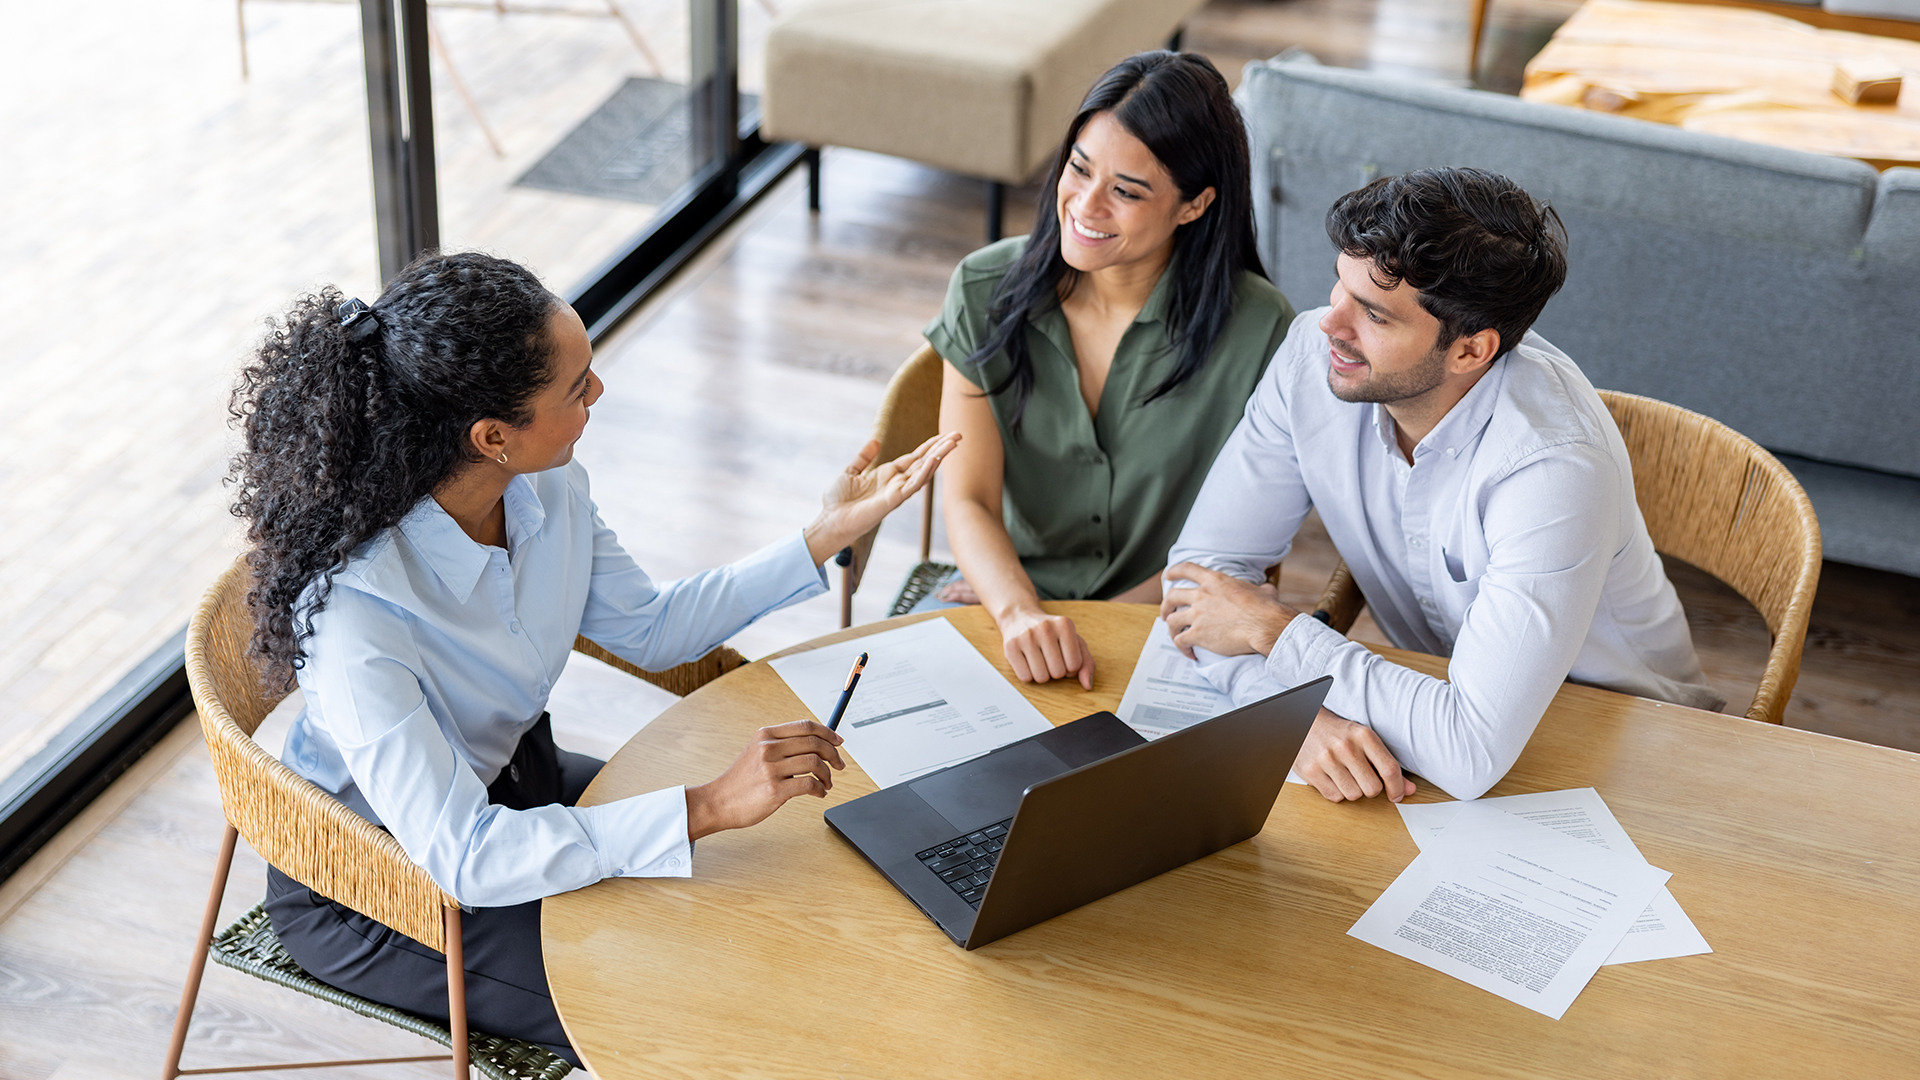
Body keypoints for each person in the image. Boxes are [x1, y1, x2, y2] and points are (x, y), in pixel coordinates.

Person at [226, 252, 958, 1063]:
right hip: (385, 880)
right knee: (671, 1002)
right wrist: (709, 804)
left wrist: (826, 533)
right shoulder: (362, 615)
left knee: (770, 896)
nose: (598, 394)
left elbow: (650, 629)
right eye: (577, 388)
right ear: (493, 436)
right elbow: (465, 856)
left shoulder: (545, 487)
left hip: (514, 786)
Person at [1160, 167, 1723, 804]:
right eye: (1341, 287)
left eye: (1372, 313)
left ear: (1470, 351)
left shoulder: (1552, 468)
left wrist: (1275, 633)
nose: (1330, 325)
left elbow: (1468, 752)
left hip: (1624, 752)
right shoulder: (1309, 361)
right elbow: (1197, 586)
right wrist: (1296, 719)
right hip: (1423, 723)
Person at [921, 50, 1296, 691]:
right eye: (1079, 168)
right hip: (1007, 602)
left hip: (1172, 626)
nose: (1086, 206)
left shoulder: (1261, 330)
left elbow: (1234, 554)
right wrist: (1018, 612)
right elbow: (969, 499)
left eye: (1125, 191)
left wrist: (1090, 630)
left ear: (1194, 205)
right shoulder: (984, 288)